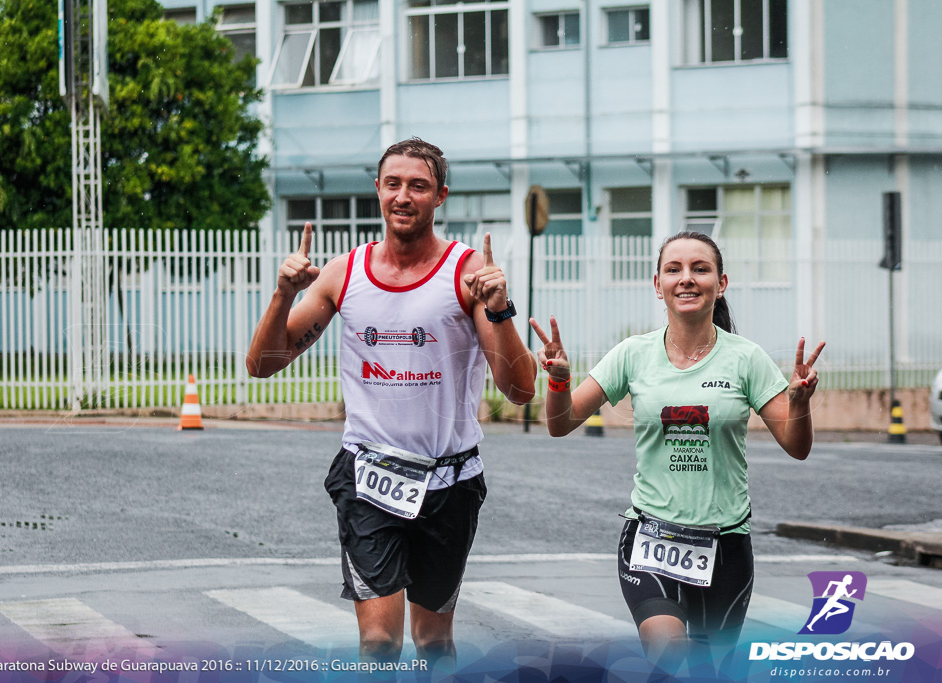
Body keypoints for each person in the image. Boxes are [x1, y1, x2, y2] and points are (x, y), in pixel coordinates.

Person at [246, 138, 537, 668]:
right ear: (378, 190)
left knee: (433, 644)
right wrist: (283, 293)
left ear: (440, 196)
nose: (404, 196)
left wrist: (499, 309)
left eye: (419, 186)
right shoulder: (344, 273)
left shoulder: (466, 274)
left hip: (449, 482)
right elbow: (262, 363)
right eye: (394, 184)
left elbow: (520, 391)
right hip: (369, 477)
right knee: (379, 644)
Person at [529, 231, 825, 671]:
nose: (686, 279)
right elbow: (560, 423)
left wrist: (798, 404)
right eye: (674, 269)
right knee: (670, 657)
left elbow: (796, 447)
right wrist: (558, 380)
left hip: (726, 546)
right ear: (657, 284)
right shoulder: (633, 354)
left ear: (721, 283)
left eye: (700, 269)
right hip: (652, 541)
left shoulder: (746, 359)